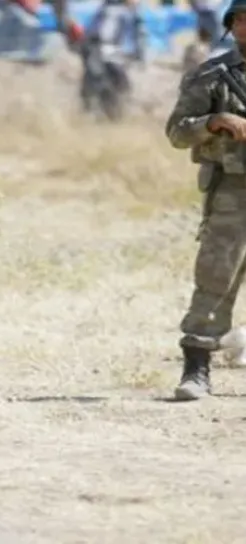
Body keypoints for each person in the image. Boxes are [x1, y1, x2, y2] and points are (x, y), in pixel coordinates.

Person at [165, 0, 246, 401]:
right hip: (233, 191)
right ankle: (196, 368)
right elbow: (177, 132)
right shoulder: (212, 77)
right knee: (217, 276)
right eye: (241, 20)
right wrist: (214, 122)